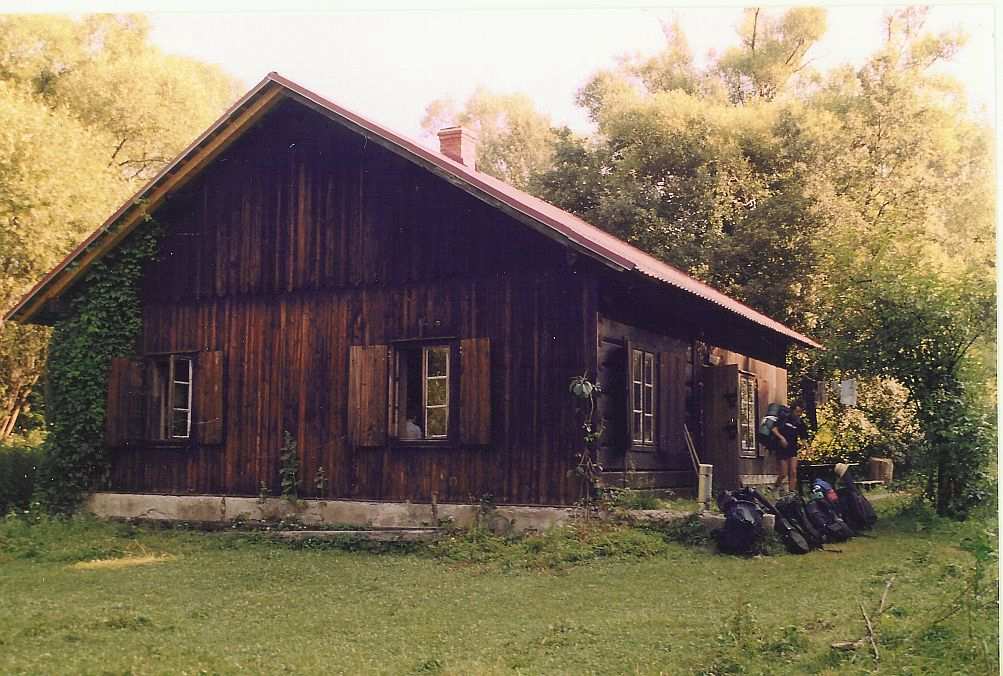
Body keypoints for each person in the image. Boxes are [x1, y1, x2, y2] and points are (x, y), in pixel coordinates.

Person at [771, 401, 808, 496]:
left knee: (793, 472)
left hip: (792, 449)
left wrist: (807, 448)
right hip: (781, 448)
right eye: (797, 411)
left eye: (801, 412)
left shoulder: (800, 423)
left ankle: (791, 494)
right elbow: (774, 429)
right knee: (783, 473)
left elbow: (803, 437)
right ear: (792, 410)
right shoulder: (784, 419)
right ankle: (775, 488)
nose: (799, 414)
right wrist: (781, 438)